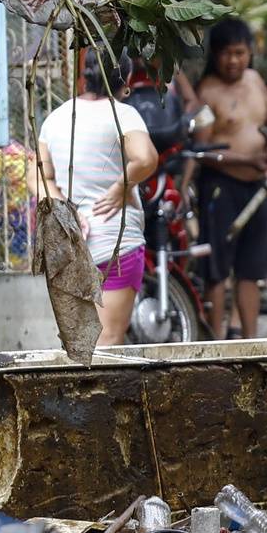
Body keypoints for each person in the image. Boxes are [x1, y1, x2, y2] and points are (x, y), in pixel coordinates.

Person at [36, 54, 159, 347]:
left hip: (71, 246)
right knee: (108, 340)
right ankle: (100, 394)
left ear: (84, 76)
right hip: (116, 243)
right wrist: (120, 187)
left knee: (78, 343)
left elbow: (38, 178)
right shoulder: (123, 115)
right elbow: (146, 159)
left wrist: (65, 211)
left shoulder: (56, 118)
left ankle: (75, 393)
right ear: (126, 82)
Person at [194, 17, 267, 339]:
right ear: (215, 55)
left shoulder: (256, 81)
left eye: (240, 53)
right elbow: (202, 150)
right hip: (220, 188)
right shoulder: (207, 92)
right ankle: (217, 340)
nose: (234, 61)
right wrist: (247, 158)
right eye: (227, 53)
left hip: (257, 188)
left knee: (252, 270)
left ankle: (251, 340)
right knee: (218, 270)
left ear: (250, 53)